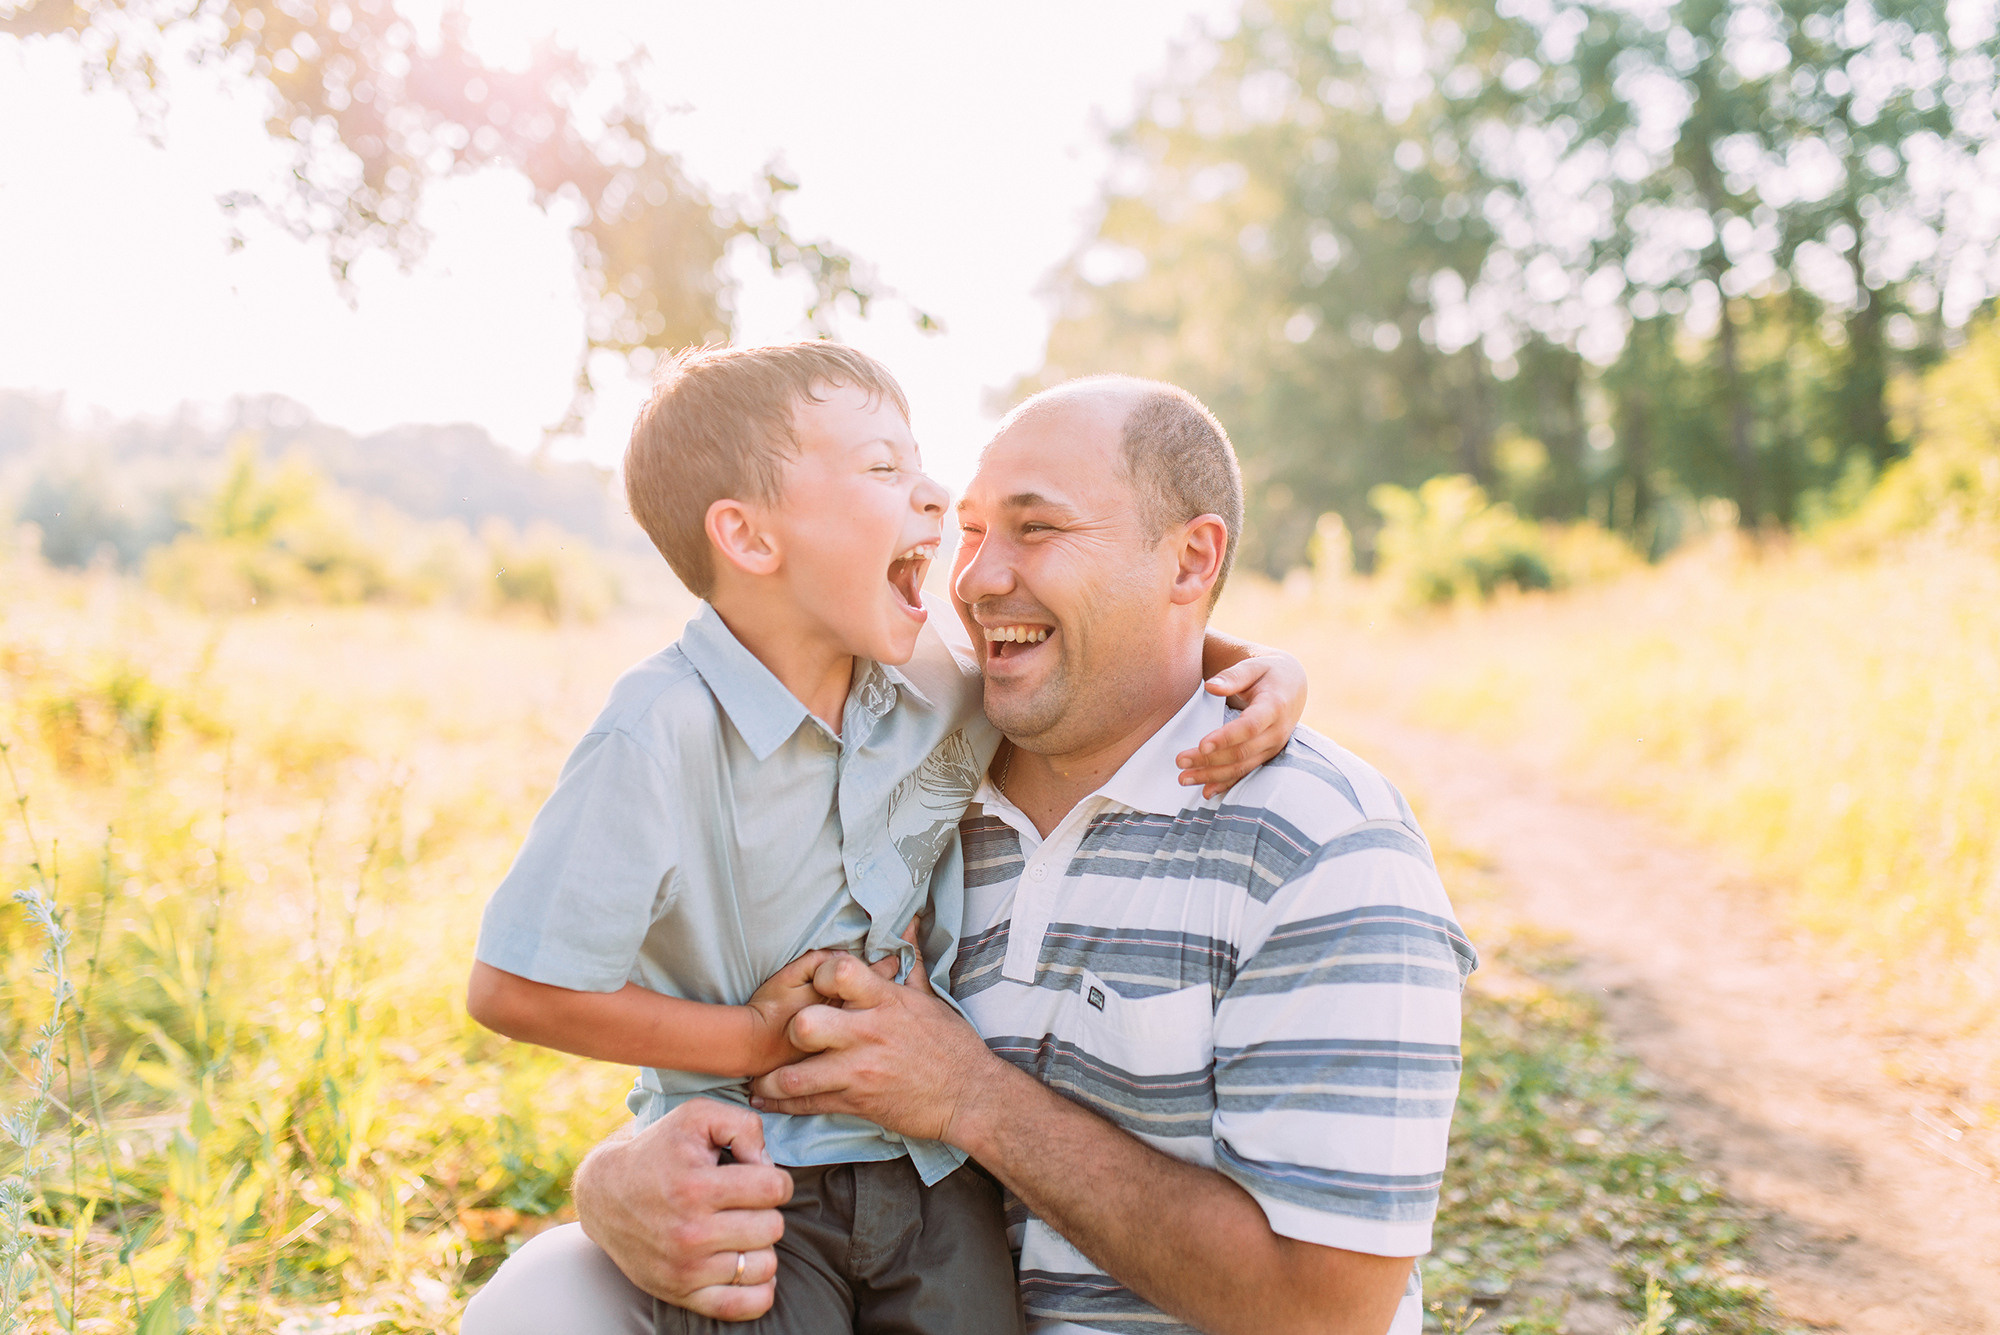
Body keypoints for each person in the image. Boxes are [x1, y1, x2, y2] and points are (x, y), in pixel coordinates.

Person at [535, 376, 1478, 1335]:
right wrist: (617, 1178)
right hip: (874, 1280)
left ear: (1191, 559)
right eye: (974, 532)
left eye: (1037, 530)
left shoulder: (1327, 850)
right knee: (539, 1298)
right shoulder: (919, 772)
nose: (978, 577)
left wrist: (970, 1097)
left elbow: (1330, 1310)